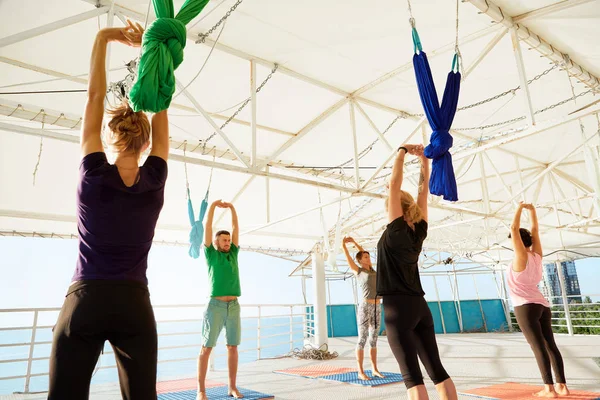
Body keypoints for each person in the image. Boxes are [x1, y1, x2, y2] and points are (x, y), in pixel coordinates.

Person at [48, 21, 170, 400]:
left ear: (111, 134)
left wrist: (105, 38)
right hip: (134, 302)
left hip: (85, 299)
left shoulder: (94, 174)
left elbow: (94, 96)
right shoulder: (153, 179)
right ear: (146, 140)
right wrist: (161, 58)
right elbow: (161, 102)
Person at [377, 144, 457, 400]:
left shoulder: (396, 228)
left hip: (397, 309)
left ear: (396, 206)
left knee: (412, 379)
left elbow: (394, 182)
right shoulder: (419, 228)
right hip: (420, 308)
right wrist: (423, 160)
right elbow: (423, 191)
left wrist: (401, 151)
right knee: (438, 373)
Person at [507, 202, 570, 398]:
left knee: (538, 347)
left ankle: (549, 389)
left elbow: (513, 228)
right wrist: (532, 211)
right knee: (550, 345)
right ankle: (562, 386)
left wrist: (519, 208)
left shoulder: (521, 257)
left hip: (525, 307)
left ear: (518, 241)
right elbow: (535, 230)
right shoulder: (536, 256)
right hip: (542, 305)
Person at [197, 200, 243, 400]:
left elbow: (235, 227)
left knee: (232, 347)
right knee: (206, 348)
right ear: (216, 243)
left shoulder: (233, 253)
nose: (227, 242)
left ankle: (232, 387)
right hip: (214, 306)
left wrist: (232, 209)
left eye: (228, 239)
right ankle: (201, 390)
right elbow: (207, 228)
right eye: (223, 240)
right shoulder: (210, 255)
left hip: (233, 307)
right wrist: (213, 207)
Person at [342, 236, 385, 380]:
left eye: (368, 256)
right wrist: (344, 246)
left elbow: (363, 253)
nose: (368, 258)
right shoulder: (359, 271)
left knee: (374, 339)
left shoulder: (373, 270)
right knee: (362, 339)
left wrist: (355, 243)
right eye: (365, 257)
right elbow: (350, 258)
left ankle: (374, 369)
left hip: (377, 307)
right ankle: (360, 372)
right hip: (365, 307)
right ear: (360, 261)